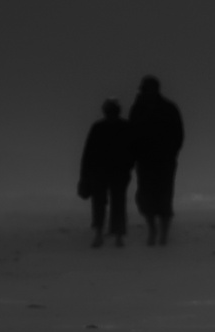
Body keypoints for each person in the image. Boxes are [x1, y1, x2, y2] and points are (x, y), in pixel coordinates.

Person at [129, 75, 184, 245]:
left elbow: (178, 134)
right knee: (148, 197)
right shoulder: (140, 108)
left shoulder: (164, 108)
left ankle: (161, 234)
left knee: (162, 197)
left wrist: (171, 152)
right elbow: (131, 134)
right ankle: (154, 230)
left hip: (161, 160)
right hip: (148, 160)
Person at [78, 100, 135, 248]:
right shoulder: (124, 127)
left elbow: (88, 154)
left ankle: (105, 236)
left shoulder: (100, 127)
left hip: (105, 171)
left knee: (102, 203)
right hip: (110, 172)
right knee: (115, 203)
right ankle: (115, 237)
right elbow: (132, 151)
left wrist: (84, 176)